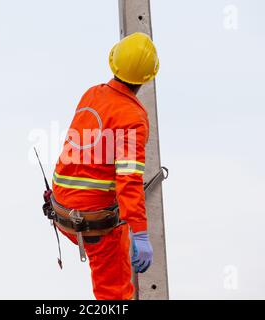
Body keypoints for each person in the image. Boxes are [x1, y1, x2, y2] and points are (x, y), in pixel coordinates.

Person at [51, 32, 159, 300]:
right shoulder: (133, 117)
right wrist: (140, 232)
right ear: (147, 78)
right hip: (94, 224)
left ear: (113, 60)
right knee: (115, 297)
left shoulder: (92, 94)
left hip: (62, 211)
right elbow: (129, 180)